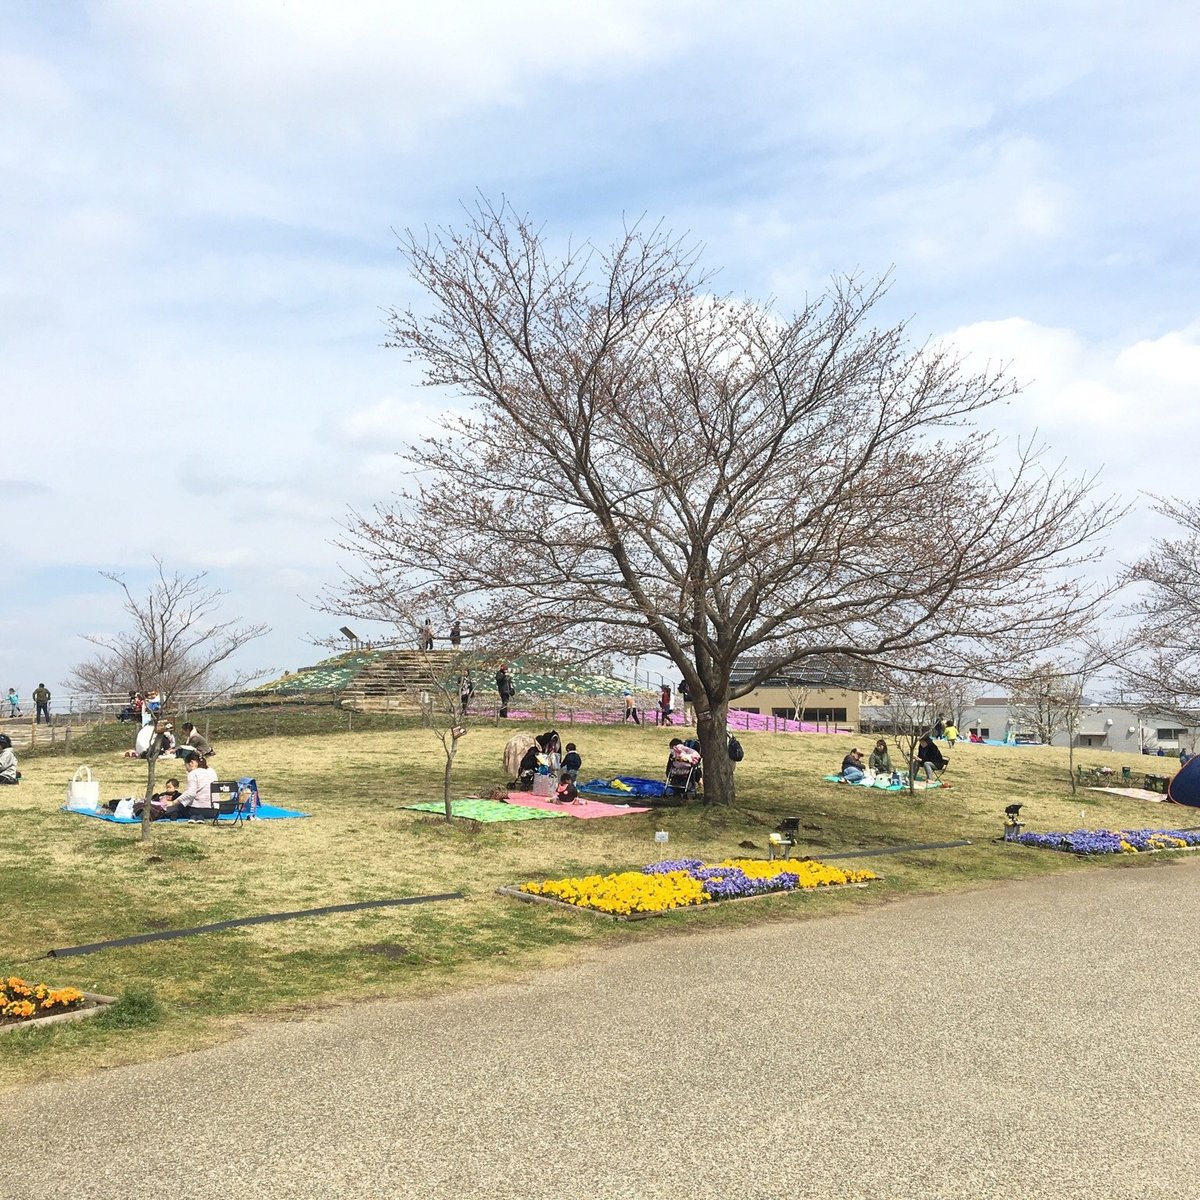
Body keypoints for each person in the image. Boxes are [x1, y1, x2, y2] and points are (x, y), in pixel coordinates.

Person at [156, 752, 218, 820]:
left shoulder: (193, 773)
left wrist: (173, 803)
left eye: (186, 765)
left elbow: (190, 793)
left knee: (174, 808)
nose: (186, 769)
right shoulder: (212, 771)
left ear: (191, 763)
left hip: (197, 810)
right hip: (214, 811)